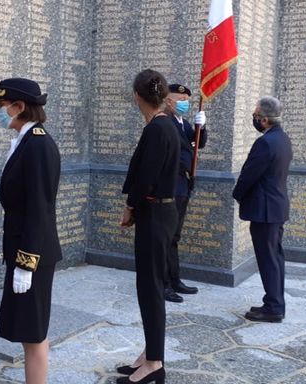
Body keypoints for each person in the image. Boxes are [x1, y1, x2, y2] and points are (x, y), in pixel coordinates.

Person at [0, 78, 62, 384]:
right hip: (23, 249)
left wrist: (25, 264)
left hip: (33, 255)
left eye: (2, 107)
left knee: (34, 333)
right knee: (29, 332)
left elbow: (39, 209)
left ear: (19, 107)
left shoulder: (39, 145)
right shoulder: (24, 141)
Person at [116, 69, 179, 384]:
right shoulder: (164, 125)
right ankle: (150, 354)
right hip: (160, 213)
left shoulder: (157, 129)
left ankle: (154, 364)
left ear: (137, 96)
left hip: (154, 214)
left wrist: (130, 207)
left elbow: (145, 177)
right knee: (149, 286)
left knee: (151, 288)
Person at [232, 96, 292, 323]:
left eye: (256, 115)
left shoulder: (265, 142)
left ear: (265, 120)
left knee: (268, 259)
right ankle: (274, 302)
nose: (254, 119)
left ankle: (274, 307)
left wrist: (237, 193)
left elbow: (250, 173)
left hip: (265, 210)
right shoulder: (282, 138)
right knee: (274, 258)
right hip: (275, 208)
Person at [163, 84, 208, 303]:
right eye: (180, 98)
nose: (184, 103)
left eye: (186, 99)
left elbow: (200, 144)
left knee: (175, 237)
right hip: (172, 186)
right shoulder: (166, 123)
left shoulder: (184, 123)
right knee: (166, 237)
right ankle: (163, 285)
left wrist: (203, 127)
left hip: (183, 186)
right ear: (169, 101)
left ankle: (175, 279)